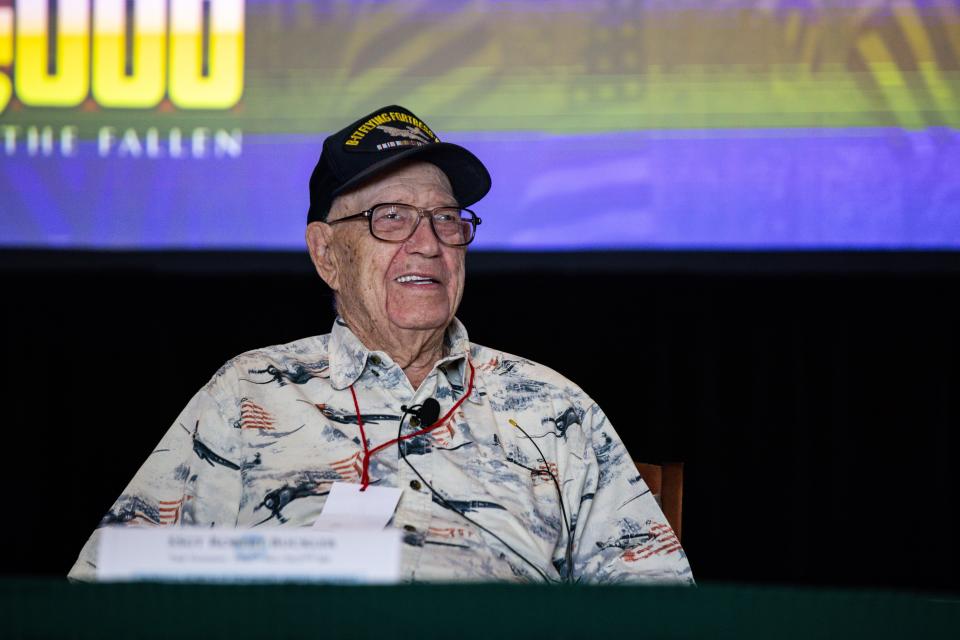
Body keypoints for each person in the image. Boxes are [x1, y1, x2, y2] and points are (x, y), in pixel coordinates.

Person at [68, 106, 694, 584]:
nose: (428, 243)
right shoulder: (247, 392)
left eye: (446, 219)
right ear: (326, 254)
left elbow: (660, 604)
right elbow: (112, 587)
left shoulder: (553, 407)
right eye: (390, 217)